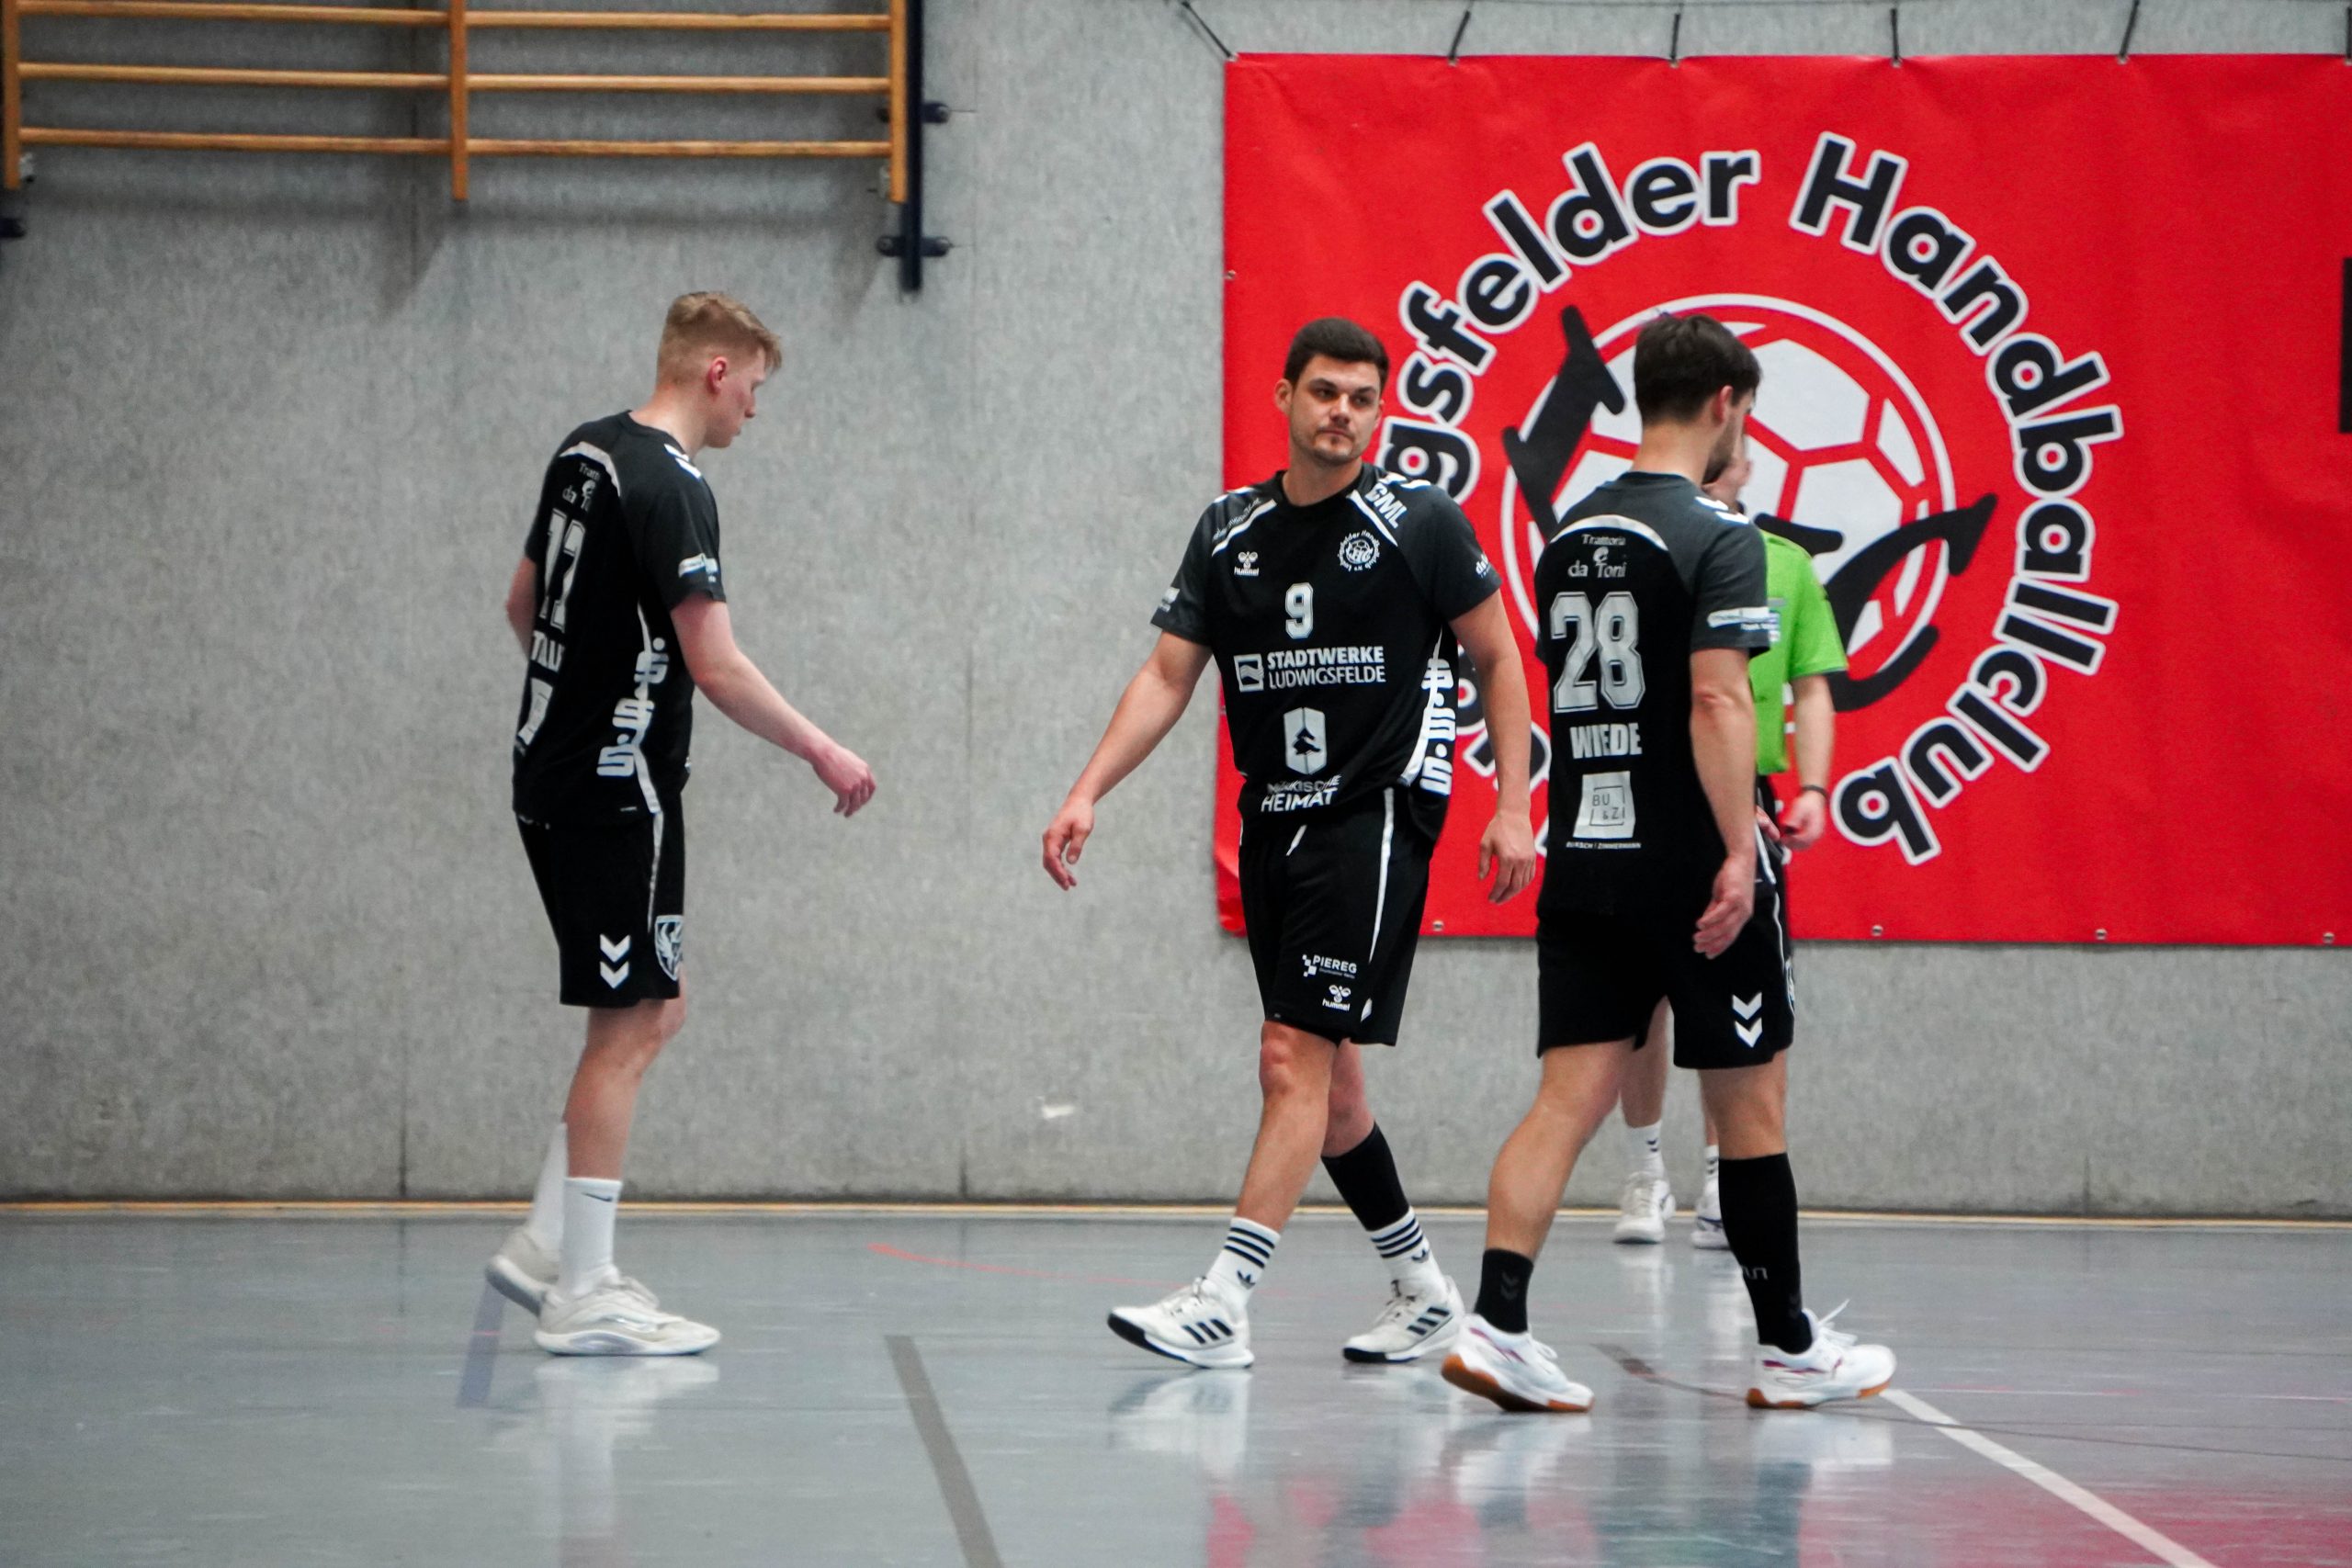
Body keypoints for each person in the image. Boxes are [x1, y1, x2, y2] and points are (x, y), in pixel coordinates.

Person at [1043, 316, 1537, 1369]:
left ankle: (1224, 1301)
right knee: (1333, 1088)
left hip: (1376, 814)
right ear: (1283, 396)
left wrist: (1513, 804)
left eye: (1361, 398)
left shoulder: (1418, 522)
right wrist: (1088, 789)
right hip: (1275, 819)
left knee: (1288, 1059)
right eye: (1323, 392)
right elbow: (1168, 675)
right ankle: (1423, 1291)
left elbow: (1498, 657)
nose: (1341, 414)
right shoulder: (1229, 530)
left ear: (1380, 410)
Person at [1442, 313, 1893, 1412]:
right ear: (1726, 407)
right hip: (1687, 858)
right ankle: (1788, 1349)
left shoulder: (1567, 533)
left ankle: (1496, 1324)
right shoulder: (1718, 533)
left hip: (1586, 851)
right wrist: (1738, 851)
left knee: (1565, 1100)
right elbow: (1716, 699)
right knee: (1749, 1104)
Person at [490, 292, 876, 1355]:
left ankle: (546, 1244)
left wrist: (575, 706)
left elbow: (523, 604)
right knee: (625, 1028)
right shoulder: (674, 484)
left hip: (547, 772)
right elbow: (717, 665)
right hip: (618, 790)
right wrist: (823, 750)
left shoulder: (585, 451)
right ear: (716, 371)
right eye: (753, 385)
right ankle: (583, 1289)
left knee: (658, 1006)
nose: (755, 407)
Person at [1610, 443, 1847, 1250]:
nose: (1716, 464)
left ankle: (1723, 1174)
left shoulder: (1782, 563)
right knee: (1642, 996)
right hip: (1649, 788)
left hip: (1747, 796)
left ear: (1747, 463)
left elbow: (1812, 682)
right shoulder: (1639, 545)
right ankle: (1644, 1170)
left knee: (1734, 992)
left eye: (1728, 456)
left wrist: (1813, 787)